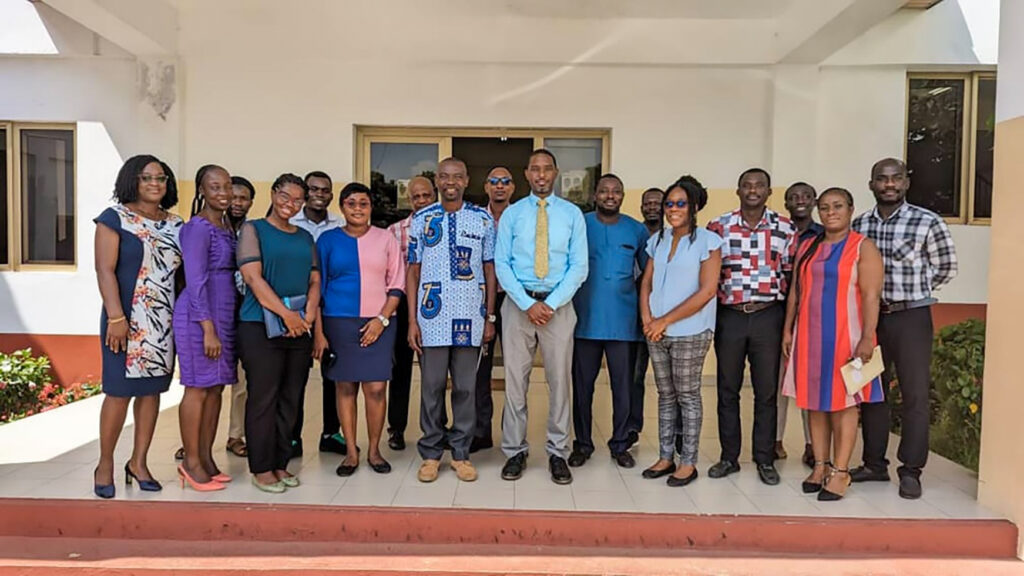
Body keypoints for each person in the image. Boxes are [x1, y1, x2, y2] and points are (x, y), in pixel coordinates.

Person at [850, 158, 958, 499]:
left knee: (914, 395)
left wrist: (914, 292)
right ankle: (874, 464)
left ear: (906, 183)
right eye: (881, 179)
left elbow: (946, 267)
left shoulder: (928, 222)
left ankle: (911, 469)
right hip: (871, 319)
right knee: (872, 393)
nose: (889, 184)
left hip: (911, 317)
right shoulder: (859, 225)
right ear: (871, 185)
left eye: (896, 178)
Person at [782, 187, 885, 502]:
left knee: (844, 403)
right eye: (824, 207)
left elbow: (870, 295)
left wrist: (867, 337)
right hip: (810, 336)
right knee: (815, 402)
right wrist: (788, 330)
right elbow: (796, 292)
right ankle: (821, 465)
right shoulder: (809, 247)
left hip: (848, 336)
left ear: (851, 209)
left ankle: (841, 472)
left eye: (837, 206)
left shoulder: (862, 248)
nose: (830, 212)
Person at [92, 154, 183, 499]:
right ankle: (104, 463)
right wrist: (116, 317)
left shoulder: (176, 224)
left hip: (162, 321)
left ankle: (139, 462)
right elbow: (105, 270)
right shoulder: (114, 219)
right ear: (133, 180)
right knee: (118, 392)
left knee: (151, 391)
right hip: (125, 320)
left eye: (161, 178)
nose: (155, 184)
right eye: (147, 178)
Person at [495, 149, 588, 485]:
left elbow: (579, 266)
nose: (541, 175)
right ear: (526, 173)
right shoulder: (512, 215)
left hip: (558, 308)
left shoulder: (572, 214)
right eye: (535, 169)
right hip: (519, 307)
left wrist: (550, 303)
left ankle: (558, 452)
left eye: (547, 169)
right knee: (515, 383)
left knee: (560, 382)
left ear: (556, 172)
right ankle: (515, 451)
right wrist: (526, 303)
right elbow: (501, 263)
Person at [407, 157, 497, 483]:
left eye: (457, 177)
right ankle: (431, 453)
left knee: (465, 389)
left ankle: (460, 453)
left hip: (470, 319)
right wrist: (412, 321)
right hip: (431, 318)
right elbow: (412, 271)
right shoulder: (421, 219)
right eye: (444, 177)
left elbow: (489, 269)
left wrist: (489, 317)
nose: (450, 182)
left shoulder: (482, 219)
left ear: (466, 179)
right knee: (430, 388)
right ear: (436, 180)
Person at [707, 168, 796, 486]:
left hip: (767, 315)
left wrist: (786, 324)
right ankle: (729, 457)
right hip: (729, 314)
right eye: (747, 185)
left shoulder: (785, 228)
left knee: (766, 392)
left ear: (769, 192)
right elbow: (709, 276)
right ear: (738, 190)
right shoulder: (719, 226)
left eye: (759, 185)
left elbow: (790, 276)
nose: (753, 190)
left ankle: (764, 458)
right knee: (727, 390)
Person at [237, 173, 320, 493]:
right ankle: (261, 467)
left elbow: (314, 279)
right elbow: (253, 279)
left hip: (299, 328)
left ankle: (281, 462)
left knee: (291, 398)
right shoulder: (253, 230)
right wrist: (286, 315)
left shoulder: (304, 237)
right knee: (264, 397)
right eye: (285, 197)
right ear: (273, 194)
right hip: (260, 326)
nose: (291, 204)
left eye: (298, 200)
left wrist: (308, 314)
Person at [317, 182, 404, 476]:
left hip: (379, 321)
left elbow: (397, 283)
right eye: (351, 203)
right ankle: (351, 452)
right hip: (338, 321)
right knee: (345, 386)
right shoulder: (327, 241)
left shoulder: (386, 238)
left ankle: (375, 450)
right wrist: (319, 331)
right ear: (342, 207)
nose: (357, 208)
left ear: (371, 207)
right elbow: (317, 286)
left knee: (377, 387)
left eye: (363, 203)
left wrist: (381, 320)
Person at [639, 176, 721, 486]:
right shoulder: (657, 240)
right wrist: (648, 318)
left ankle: (688, 462)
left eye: (680, 203)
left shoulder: (708, 241)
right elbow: (646, 282)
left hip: (690, 331)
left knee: (687, 396)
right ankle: (665, 456)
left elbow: (707, 291)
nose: (673, 209)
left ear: (694, 207)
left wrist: (665, 320)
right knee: (665, 395)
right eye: (669, 204)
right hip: (656, 332)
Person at [569, 173, 648, 469]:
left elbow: (647, 277)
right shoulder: (580, 225)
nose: (610, 196)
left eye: (616, 191)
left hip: (623, 324)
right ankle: (582, 444)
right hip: (584, 322)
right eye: (604, 191)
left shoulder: (636, 230)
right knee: (582, 388)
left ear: (623, 196)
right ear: (595, 196)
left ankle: (620, 443)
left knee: (623, 387)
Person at [173, 164, 238, 491]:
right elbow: (195, 281)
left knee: (216, 388)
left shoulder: (225, 226)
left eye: (227, 186)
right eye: (215, 187)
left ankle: (207, 457)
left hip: (224, 314)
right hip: (201, 316)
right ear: (201, 190)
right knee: (198, 388)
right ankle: (191, 463)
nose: (223, 193)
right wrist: (208, 328)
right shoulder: (197, 228)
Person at [289, 170, 347, 460]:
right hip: (294, 309)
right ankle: (291, 437)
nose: (320, 195)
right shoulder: (289, 221)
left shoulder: (339, 225)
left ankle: (330, 433)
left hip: (330, 307)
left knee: (331, 375)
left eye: (325, 190)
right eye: (314, 189)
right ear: (305, 192)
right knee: (295, 377)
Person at [386, 176, 438, 451]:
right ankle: (396, 428)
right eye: (416, 197)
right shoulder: (395, 231)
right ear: (409, 199)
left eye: (427, 196)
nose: (421, 201)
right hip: (405, 302)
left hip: (438, 303)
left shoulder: (446, 225)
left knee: (435, 372)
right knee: (400, 369)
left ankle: (436, 426)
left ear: (435, 195)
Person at [776, 182, 824, 466]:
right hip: (776, 312)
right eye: (794, 197)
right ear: (786, 203)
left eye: (806, 196)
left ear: (814, 201)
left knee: (808, 381)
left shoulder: (823, 235)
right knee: (777, 381)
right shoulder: (778, 232)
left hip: (811, 314)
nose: (800, 200)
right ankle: (775, 440)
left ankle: (811, 444)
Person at [472, 166, 514, 453]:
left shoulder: (521, 216)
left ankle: (511, 434)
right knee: (479, 369)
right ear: (486, 187)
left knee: (515, 368)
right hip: (481, 300)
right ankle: (480, 432)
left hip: (514, 300)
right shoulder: (476, 218)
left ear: (512, 187)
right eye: (494, 181)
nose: (499, 186)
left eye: (505, 182)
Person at [628, 187, 664, 445]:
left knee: (671, 382)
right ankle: (632, 428)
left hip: (670, 318)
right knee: (635, 376)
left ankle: (677, 433)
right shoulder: (636, 234)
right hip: (638, 318)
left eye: (657, 203)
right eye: (647, 203)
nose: (652, 207)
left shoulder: (676, 236)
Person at [225, 175, 255, 458]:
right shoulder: (209, 228)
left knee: (242, 383)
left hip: (244, 315)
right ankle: (195, 439)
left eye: (243, 198)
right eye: (232, 196)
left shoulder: (253, 232)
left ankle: (236, 435)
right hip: (214, 313)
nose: (237, 202)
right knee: (203, 384)